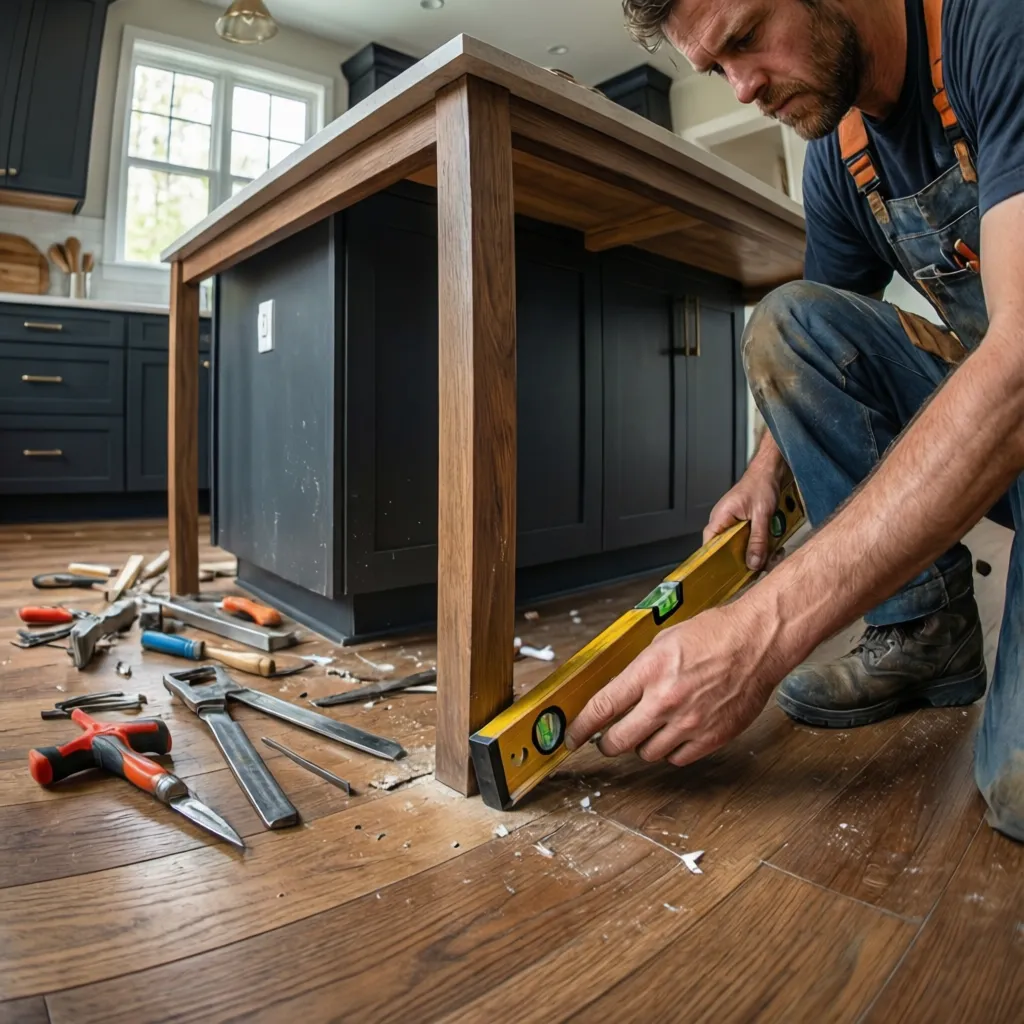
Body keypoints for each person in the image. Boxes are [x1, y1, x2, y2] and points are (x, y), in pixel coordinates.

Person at [563, 0, 1024, 842]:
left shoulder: (994, 30)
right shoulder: (843, 158)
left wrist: (761, 630)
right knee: (787, 320)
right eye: (714, 69)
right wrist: (762, 469)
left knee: (1021, 790)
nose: (742, 88)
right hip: (1003, 448)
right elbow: (825, 337)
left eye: (744, 39)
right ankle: (924, 633)